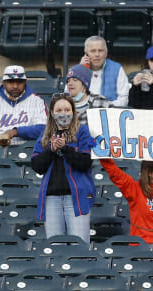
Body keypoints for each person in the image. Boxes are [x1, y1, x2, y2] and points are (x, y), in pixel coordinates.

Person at [31, 95, 96, 244]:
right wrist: (51, 149)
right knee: (55, 244)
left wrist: (65, 149)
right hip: (52, 198)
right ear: (52, 114)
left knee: (78, 244)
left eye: (67, 109)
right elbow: (36, 165)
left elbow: (85, 163)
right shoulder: (45, 135)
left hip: (77, 196)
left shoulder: (82, 131)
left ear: (73, 112)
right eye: (59, 110)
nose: (63, 113)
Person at [0, 65, 47, 145]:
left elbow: (43, 129)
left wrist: (16, 131)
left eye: (19, 81)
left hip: (27, 149)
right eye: (11, 81)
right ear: (4, 83)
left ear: (25, 81)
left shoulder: (37, 101)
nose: (15, 86)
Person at [80, 36, 129, 107]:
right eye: (93, 51)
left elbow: (124, 100)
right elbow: (70, 98)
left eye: (100, 50)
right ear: (86, 54)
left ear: (106, 53)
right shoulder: (77, 70)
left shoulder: (117, 68)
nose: (97, 55)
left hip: (110, 113)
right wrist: (79, 70)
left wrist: (104, 106)